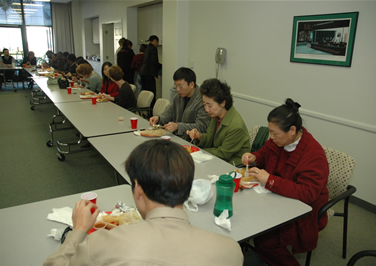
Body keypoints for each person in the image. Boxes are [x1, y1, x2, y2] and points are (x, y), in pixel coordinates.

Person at [43, 139, 243, 265]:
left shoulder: (98, 246)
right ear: (188, 186)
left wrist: (78, 230)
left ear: (138, 189)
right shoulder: (231, 251)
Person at [241, 98, 329, 266]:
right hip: (278, 197)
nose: (271, 137)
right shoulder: (278, 141)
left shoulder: (313, 155)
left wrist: (270, 180)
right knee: (246, 214)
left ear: (292, 131)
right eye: (270, 132)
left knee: (265, 239)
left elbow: (308, 194)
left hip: (304, 210)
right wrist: (253, 157)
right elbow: (264, 154)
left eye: (275, 133)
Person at [186, 78, 250, 165]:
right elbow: (210, 139)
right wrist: (199, 136)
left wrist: (198, 152)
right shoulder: (216, 115)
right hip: (217, 159)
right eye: (204, 104)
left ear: (223, 103)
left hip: (232, 166)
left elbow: (223, 154)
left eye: (209, 105)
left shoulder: (236, 126)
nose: (206, 109)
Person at [150, 67, 210, 141]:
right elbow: (169, 113)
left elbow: (202, 126)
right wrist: (159, 118)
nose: (177, 89)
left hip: (191, 141)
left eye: (180, 86)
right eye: (176, 85)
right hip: (176, 137)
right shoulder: (178, 97)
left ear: (191, 84)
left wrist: (178, 126)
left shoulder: (202, 100)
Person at [140, 35, 162, 107]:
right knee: (152, 93)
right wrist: (160, 66)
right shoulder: (153, 48)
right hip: (149, 73)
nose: (157, 44)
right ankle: (151, 109)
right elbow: (154, 61)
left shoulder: (147, 48)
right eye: (157, 42)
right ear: (155, 40)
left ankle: (145, 107)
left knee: (146, 93)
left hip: (143, 72)